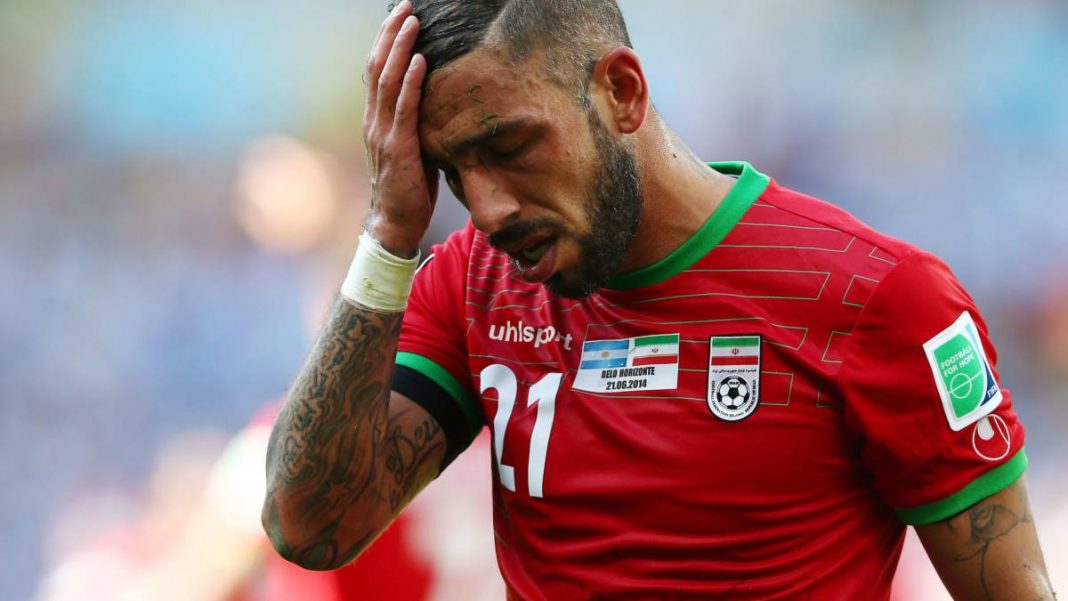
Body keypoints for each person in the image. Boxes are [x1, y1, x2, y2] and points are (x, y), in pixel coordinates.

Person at [262, 1, 1056, 599]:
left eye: (508, 145)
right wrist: (389, 233)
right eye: (453, 170)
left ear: (621, 90)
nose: (489, 206)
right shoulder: (473, 282)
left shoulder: (880, 296)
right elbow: (311, 525)